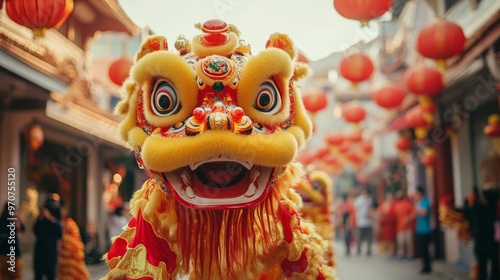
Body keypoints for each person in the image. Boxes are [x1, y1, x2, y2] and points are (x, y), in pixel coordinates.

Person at [471, 182, 499, 280]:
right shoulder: (495, 207)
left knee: (483, 268)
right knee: (495, 266)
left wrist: (476, 195)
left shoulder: (480, 206)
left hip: (482, 242)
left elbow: (470, 213)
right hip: (493, 242)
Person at [33, 193, 63, 280]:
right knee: (38, 274)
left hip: (51, 251)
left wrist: (50, 217)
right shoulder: (41, 217)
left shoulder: (56, 215)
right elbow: (35, 230)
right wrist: (40, 218)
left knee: (50, 274)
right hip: (40, 250)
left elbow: (59, 232)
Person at [0, 202, 25, 280]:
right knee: (16, 276)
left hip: (2, 254)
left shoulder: (1, 220)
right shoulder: (13, 221)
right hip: (13, 255)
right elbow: (22, 228)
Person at [414, 186, 432, 274]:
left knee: (425, 249)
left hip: (426, 229)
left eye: (417, 193)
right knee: (422, 249)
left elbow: (425, 213)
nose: (416, 195)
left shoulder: (425, 201)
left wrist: (417, 210)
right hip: (419, 229)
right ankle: (424, 266)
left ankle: (427, 267)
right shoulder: (419, 202)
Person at [393, 189, 415, 260]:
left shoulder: (407, 204)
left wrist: (408, 218)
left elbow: (413, 212)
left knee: (408, 242)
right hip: (399, 227)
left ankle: (410, 254)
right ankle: (401, 253)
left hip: (408, 227)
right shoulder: (396, 205)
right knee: (401, 242)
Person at [354, 188, 375, 256]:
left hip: (369, 222)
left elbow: (371, 208)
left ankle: (369, 250)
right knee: (360, 237)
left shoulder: (369, 199)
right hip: (361, 222)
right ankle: (358, 249)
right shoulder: (359, 200)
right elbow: (356, 208)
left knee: (369, 237)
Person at [377, 192, 396, 256]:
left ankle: (391, 251)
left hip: (391, 225)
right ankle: (385, 250)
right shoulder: (382, 206)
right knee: (384, 238)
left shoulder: (393, 206)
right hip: (384, 225)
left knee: (391, 239)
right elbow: (379, 214)